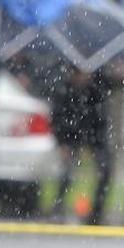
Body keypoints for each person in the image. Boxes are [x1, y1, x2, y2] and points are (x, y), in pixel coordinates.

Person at [49, 67, 115, 225]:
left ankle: (96, 214)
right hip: (71, 135)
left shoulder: (97, 88)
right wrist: (63, 143)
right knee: (67, 173)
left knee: (105, 170)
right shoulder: (63, 90)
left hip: (95, 134)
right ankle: (58, 209)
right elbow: (56, 119)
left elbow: (102, 118)